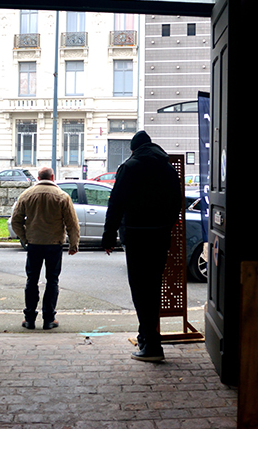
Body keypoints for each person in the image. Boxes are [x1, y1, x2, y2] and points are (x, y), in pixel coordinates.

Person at [102, 131, 182, 362]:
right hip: (159, 235)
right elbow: (176, 201)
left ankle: (153, 346)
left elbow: (116, 203)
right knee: (153, 287)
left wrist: (109, 237)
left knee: (139, 290)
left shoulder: (130, 167)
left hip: (136, 236)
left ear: (134, 149)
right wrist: (166, 223)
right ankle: (145, 336)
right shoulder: (167, 168)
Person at [10, 167, 80, 330]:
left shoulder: (26, 195)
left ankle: (29, 318)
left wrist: (25, 238)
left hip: (34, 243)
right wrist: (73, 244)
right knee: (52, 280)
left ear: (38, 177)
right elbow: (72, 224)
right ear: (53, 177)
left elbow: (15, 221)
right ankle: (49, 319)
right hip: (54, 244)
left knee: (32, 280)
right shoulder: (62, 196)